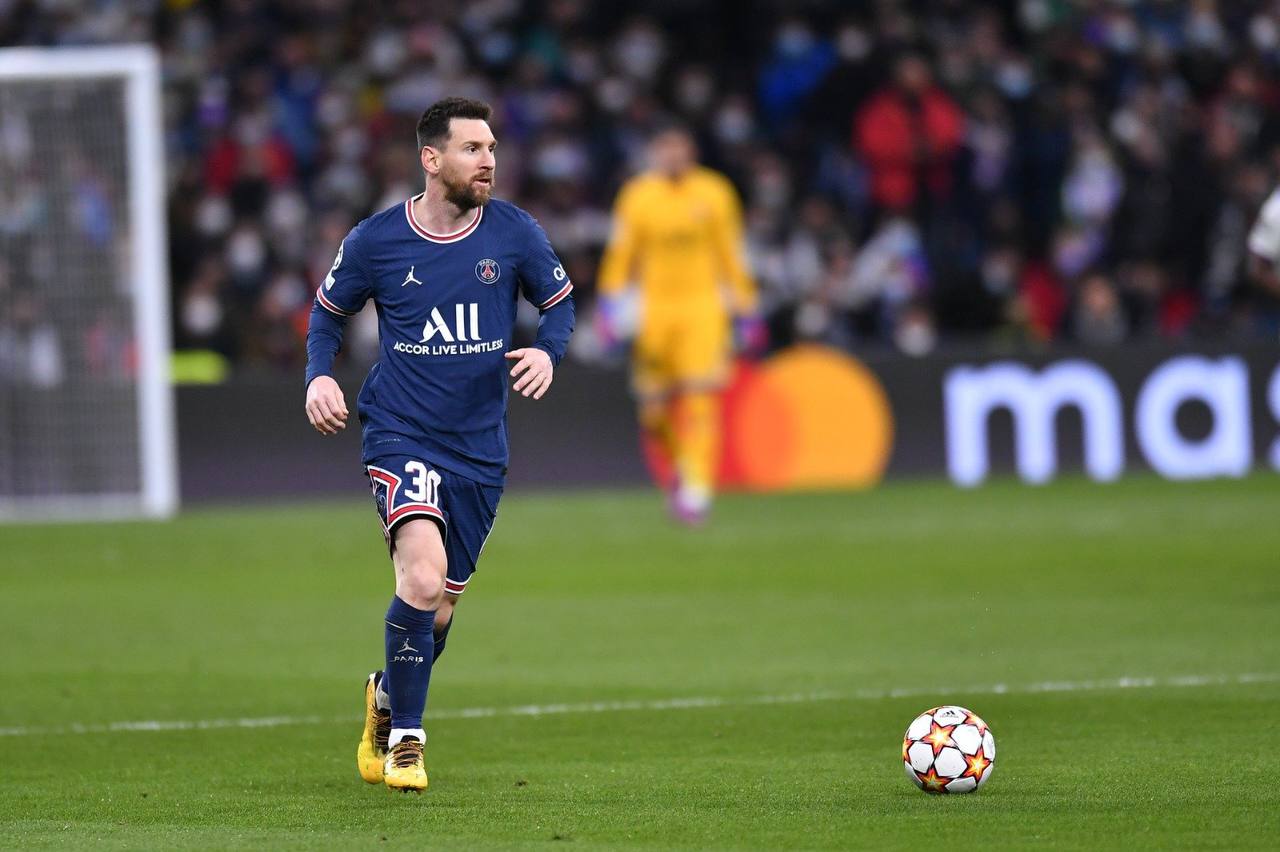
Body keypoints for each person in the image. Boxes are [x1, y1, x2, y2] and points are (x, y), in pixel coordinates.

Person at [303, 97, 574, 793]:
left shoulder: (514, 232)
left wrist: (547, 352)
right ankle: (407, 743)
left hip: (479, 449)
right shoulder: (376, 241)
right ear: (431, 158)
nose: (488, 161)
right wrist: (318, 377)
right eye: (472, 149)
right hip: (400, 432)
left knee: (440, 607)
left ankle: (386, 695)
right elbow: (327, 315)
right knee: (421, 579)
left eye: (492, 149)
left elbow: (560, 304)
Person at [596, 124, 761, 525]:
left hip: (703, 308)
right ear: (654, 153)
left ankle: (699, 489)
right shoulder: (638, 196)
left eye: (679, 149)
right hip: (655, 312)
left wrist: (747, 306)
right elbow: (621, 253)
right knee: (653, 414)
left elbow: (731, 252)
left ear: (691, 152)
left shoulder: (714, 192)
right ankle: (681, 472)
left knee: (701, 398)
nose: (672, 157)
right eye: (665, 149)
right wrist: (608, 304)